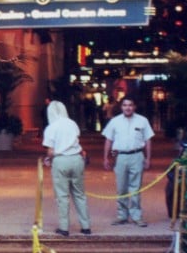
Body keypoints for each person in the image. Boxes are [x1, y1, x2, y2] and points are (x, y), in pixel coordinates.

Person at [102, 96, 155, 227]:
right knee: (121, 188)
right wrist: (106, 158)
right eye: (125, 105)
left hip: (137, 156)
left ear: (134, 107)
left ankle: (137, 216)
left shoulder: (143, 121)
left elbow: (148, 140)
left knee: (135, 188)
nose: (128, 108)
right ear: (121, 107)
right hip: (120, 157)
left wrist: (148, 158)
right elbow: (108, 140)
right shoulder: (115, 121)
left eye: (130, 105)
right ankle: (122, 216)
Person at [42, 101, 92, 236]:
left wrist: (48, 158)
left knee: (62, 196)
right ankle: (86, 226)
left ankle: (64, 227)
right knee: (79, 194)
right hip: (77, 159)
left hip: (60, 161)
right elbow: (76, 141)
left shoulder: (51, 128)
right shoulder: (72, 124)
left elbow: (51, 150)